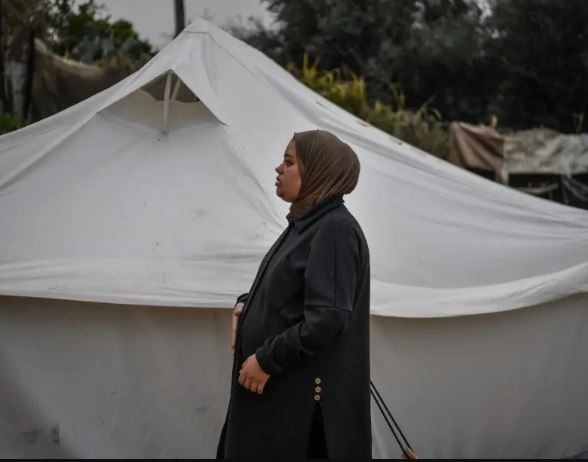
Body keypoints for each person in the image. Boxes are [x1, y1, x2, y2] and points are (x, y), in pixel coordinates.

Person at [217, 129, 371, 459]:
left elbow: (327, 318)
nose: (278, 168)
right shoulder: (307, 225)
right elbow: (289, 291)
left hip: (299, 416)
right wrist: (247, 305)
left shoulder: (334, 229)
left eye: (288, 162)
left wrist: (266, 358)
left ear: (317, 172)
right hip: (277, 406)